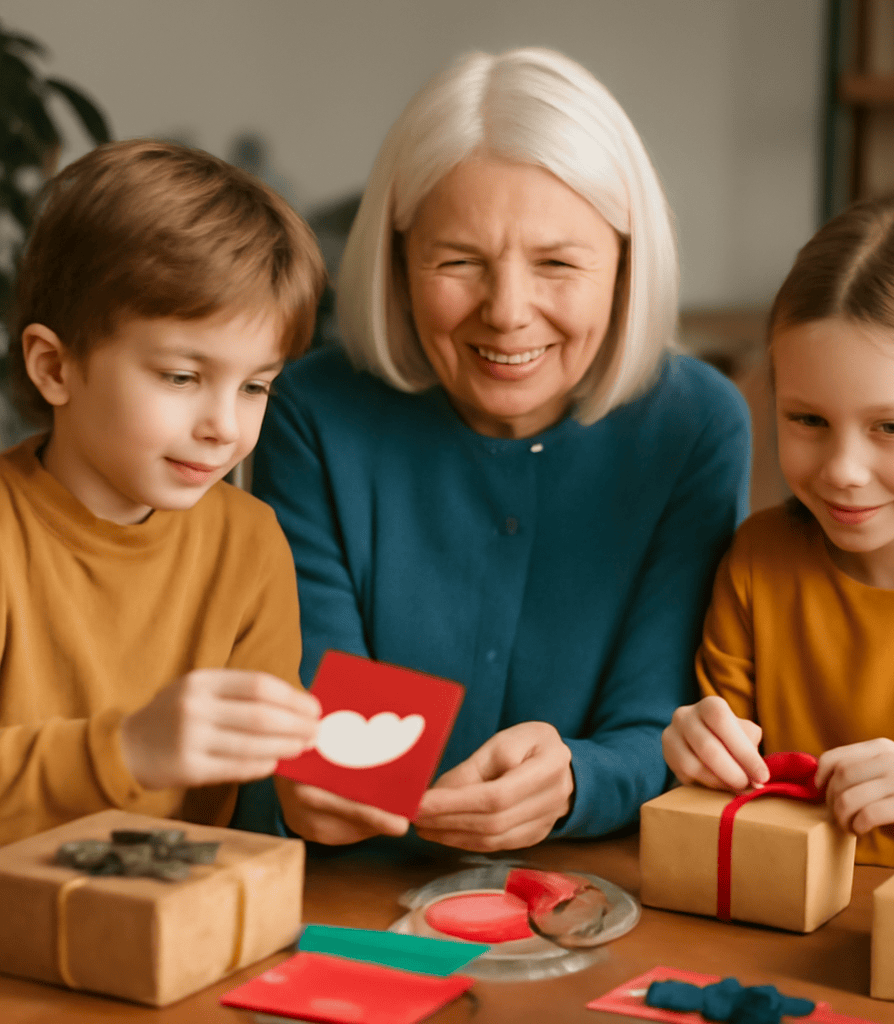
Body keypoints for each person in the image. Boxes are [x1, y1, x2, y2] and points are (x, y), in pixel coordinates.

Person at [245, 47, 751, 852]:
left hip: (601, 887)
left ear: (625, 265)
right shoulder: (313, 412)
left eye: (557, 263)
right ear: (398, 260)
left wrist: (579, 779)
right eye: (459, 262)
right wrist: (307, 787)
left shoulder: (695, 424)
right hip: (352, 884)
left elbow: (661, 720)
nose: (508, 311)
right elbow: (326, 724)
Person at [663, 199, 894, 868]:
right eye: (808, 420)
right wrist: (695, 750)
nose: (843, 471)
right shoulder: (757, 561)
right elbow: (717, 807)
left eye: (891, 427)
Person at [0, 139, 327, 844]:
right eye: (182, 377)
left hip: (183, 907)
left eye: (255, 387)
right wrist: (125, 751)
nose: (223, 427)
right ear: (54, 368)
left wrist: (321, 792)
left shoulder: (249, 541)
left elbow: (271, 780)